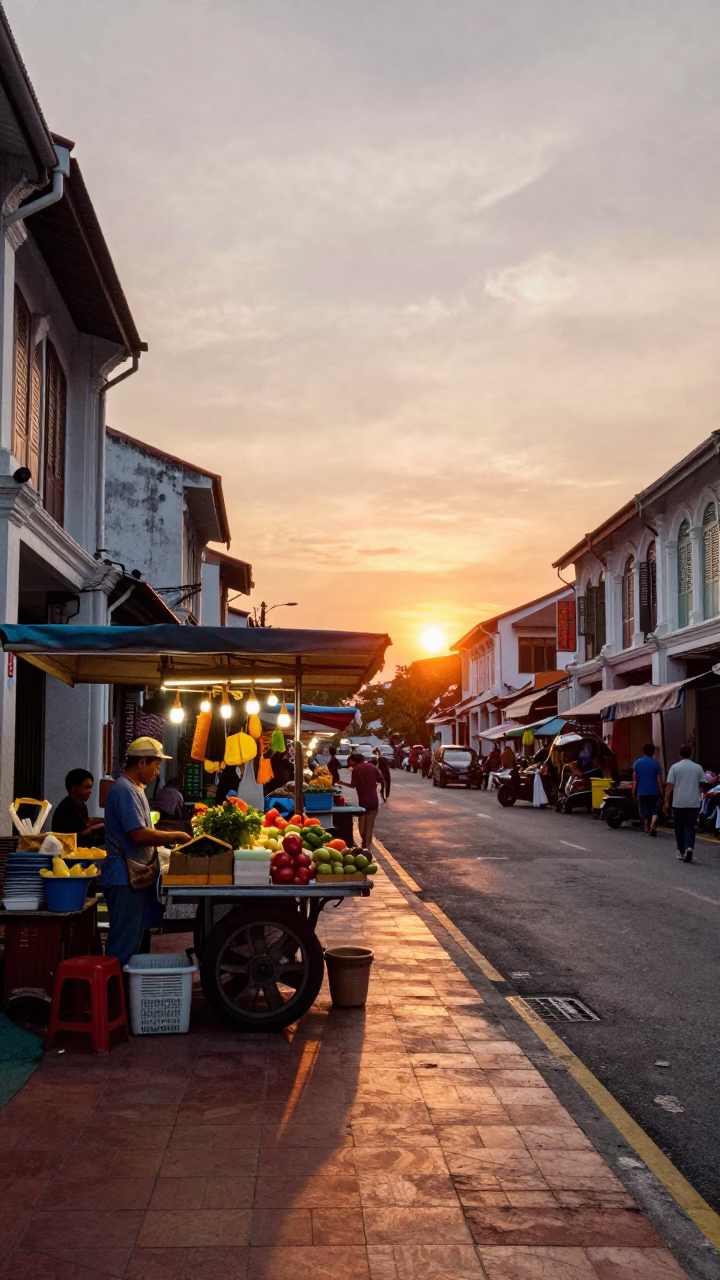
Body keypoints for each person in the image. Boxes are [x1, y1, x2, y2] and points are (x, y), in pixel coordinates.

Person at [101, 738, 191, 969]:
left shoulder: (134, 788)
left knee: (135, 941)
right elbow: (138, 834)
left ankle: (128, 996)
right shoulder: (125, 790)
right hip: (124, 878)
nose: (157, 772)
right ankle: (115, 998)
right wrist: (175, 836)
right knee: (124, 944)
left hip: (134, 877)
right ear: (142, 762)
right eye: (156, 765)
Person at [665, 744, 707, 863]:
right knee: (690, 826)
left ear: (680, 754)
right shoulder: (698, 767)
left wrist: (666, 801)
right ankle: (689, 847)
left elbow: (669, 786)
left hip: (678, 802)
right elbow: (702, 783)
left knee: (678, 827)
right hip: (693, 802)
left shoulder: (675, 767)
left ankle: (681, 851)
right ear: (691, 754)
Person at [53, 768, 105, 847]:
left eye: (90, 787)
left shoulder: (81, 804)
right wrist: (106, 824)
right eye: (86, 787)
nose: (90, 791)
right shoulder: (67, 808)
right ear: (73, 788)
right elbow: (84, 832)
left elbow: (87, 822)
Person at [343, 751, 383, 849]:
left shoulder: (356, 770)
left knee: (362, 828)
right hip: (374, 801)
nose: (349, 763)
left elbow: (353, 785)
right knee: (369, 828)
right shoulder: (373, 767)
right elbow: (381, 780)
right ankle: (367, 847)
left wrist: (341, 782)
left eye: (350, 761)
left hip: (363, 803)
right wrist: (382, 790)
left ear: (354, 761)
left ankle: (365, 846)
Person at [632, 743, 664, 837]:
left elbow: (635, 780)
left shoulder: (637, 763)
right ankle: (652, 825)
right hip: (653, 791)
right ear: (653, 752)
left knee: (643, 809)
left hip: (641, 791)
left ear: (643, 751)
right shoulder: (656, 764)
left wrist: (633, 791)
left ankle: (646, 826)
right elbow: (659, 779)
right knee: (654, 809)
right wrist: (661, 792)